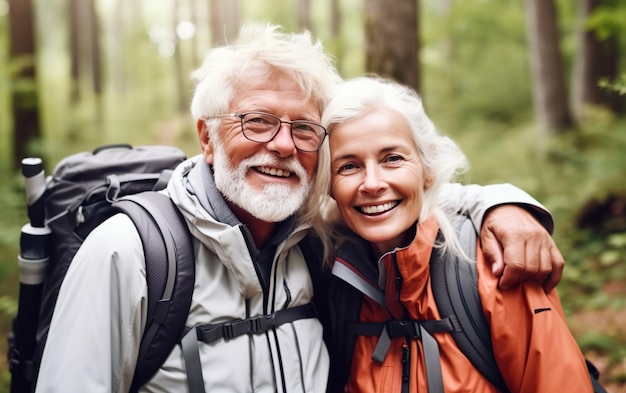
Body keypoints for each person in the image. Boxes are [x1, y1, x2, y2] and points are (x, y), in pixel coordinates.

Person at [36, 24, 563, 392]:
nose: (284, 145)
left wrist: (504, 203)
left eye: (305, 129)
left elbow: (393, 195)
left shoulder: (316, 241)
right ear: (207, 137)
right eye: (257, 121)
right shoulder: (128, 254)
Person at [321, 76, 593, 392]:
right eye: (348, 166)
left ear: (428, 167)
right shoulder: (332, 279)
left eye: (392, 158)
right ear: (328, 185)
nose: (372, 183)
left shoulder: (497, 266)